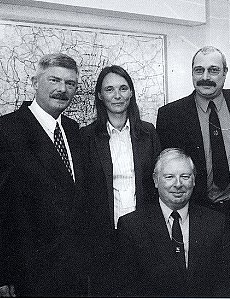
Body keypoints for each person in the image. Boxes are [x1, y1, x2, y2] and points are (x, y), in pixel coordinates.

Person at [0, 53, 88, 297]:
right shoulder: (2, 134)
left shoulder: (73, 131)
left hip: (76, 273)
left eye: (70, 84)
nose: (62, 89)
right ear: (34, 82)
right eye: (54, 80)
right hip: (29, 276)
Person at [156, 46, 230, 222]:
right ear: (192, 73)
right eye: (199, 70)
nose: (205, 77)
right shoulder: (171, 115)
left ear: (225, 73)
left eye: (213, 70)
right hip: (197, 214)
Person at [80, 65, 161, 296]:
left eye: (123, 88)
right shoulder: (86, 137)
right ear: (99, 95)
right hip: (104, 236)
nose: (117, 95)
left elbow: (157, 183)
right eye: (109, 89)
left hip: (144, 232)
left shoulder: (148, 133)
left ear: (131, 92)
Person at [116, 148, 230, 297]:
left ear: (194, 181)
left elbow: (226, 283)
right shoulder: (132, 226)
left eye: (185, 176)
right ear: (156, 180)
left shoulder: (216, 222)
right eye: (169, 177)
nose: (178, 184)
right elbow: (127, 289)